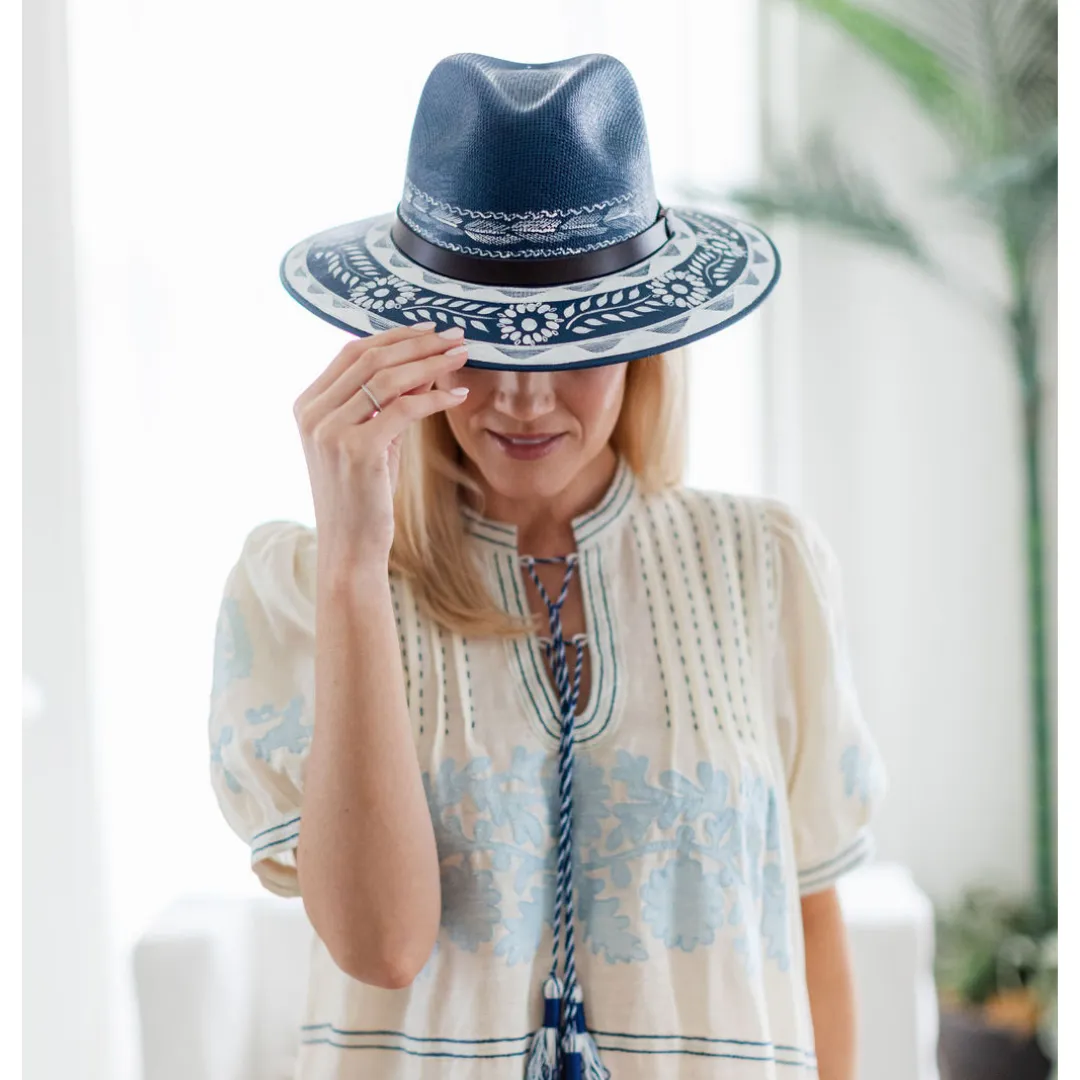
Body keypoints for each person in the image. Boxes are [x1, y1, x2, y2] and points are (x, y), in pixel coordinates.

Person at [209, 52, 886, 1080]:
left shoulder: (765, 566)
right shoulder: (302, 586)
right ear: (412, 340)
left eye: (571, 343)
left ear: (644, 337)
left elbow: (810, 921)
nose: (523, 401)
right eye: (481, 343)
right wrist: (355, 562)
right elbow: (382, 945)